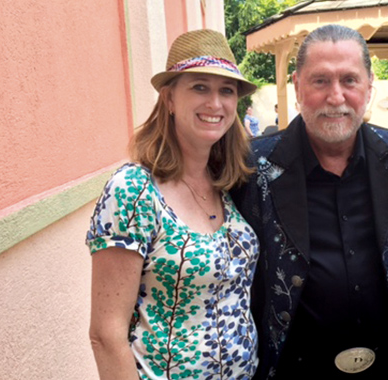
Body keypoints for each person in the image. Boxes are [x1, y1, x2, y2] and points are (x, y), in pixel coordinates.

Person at [231, 24, 388, 379]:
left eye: (349, 80)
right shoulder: (250, 168)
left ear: (368, 87)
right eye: (320, 81)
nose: (336, 97)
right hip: (292, 371)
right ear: (297, 85)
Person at [86, 29, 260, 380]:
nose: (215, 103)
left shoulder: (225, 184)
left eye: (226, 90)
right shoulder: (134, 190)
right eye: (199, 87)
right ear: (168, 99)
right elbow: (106, 335)